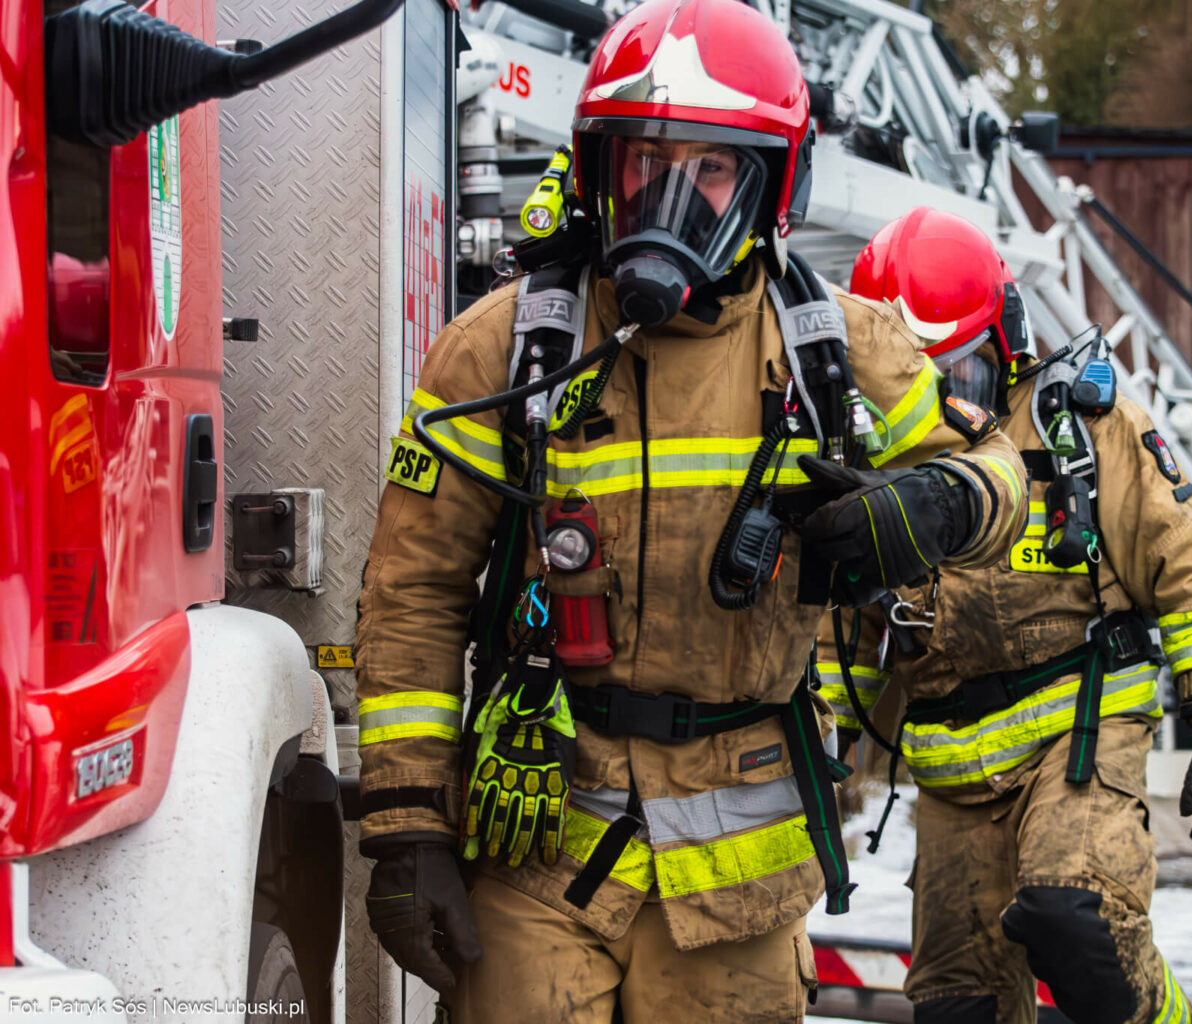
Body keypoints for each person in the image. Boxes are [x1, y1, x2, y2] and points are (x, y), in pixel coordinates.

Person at [351, 4, 1029, 1021]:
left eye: (713, 170)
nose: (673, 197)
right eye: (647, 160)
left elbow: (998, 473)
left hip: (737, 888)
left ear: (776, 182)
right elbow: (414, 595)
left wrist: (930, 505)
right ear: (596, 167)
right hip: (536, 850)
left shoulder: (833, 349)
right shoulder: (505, 351)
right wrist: (406, 827)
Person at [820, 207, 1192, 1024]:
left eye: (961, 374)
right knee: (959, 1008)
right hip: (950, 774)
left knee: (1078, 925)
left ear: (1005, 342)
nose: (942, 405)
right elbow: (833, 633)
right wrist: (816, 749)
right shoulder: (862, 463)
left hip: (1076, 739)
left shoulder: (1081, 432)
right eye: (916, 380)